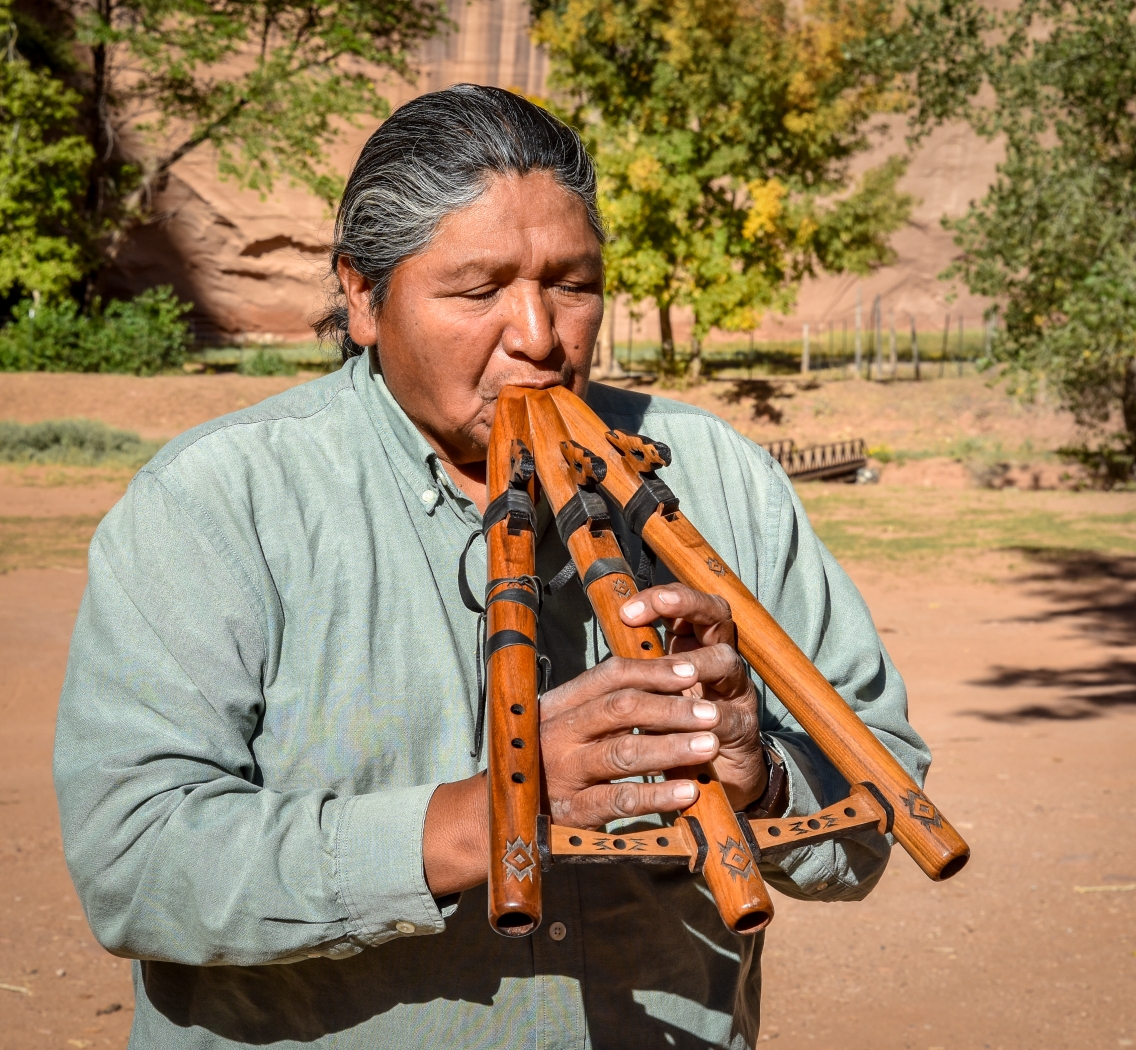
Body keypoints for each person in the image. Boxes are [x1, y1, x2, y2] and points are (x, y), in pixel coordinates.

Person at [54, 85, 930, 1050]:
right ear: (360, 296)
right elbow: (135, 864)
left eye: (573, 283)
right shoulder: (217, 502)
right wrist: (490, 815)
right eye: (478, 292)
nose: (541, 337)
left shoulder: (720, 475)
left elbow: (878, 803)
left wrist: (762, 778)